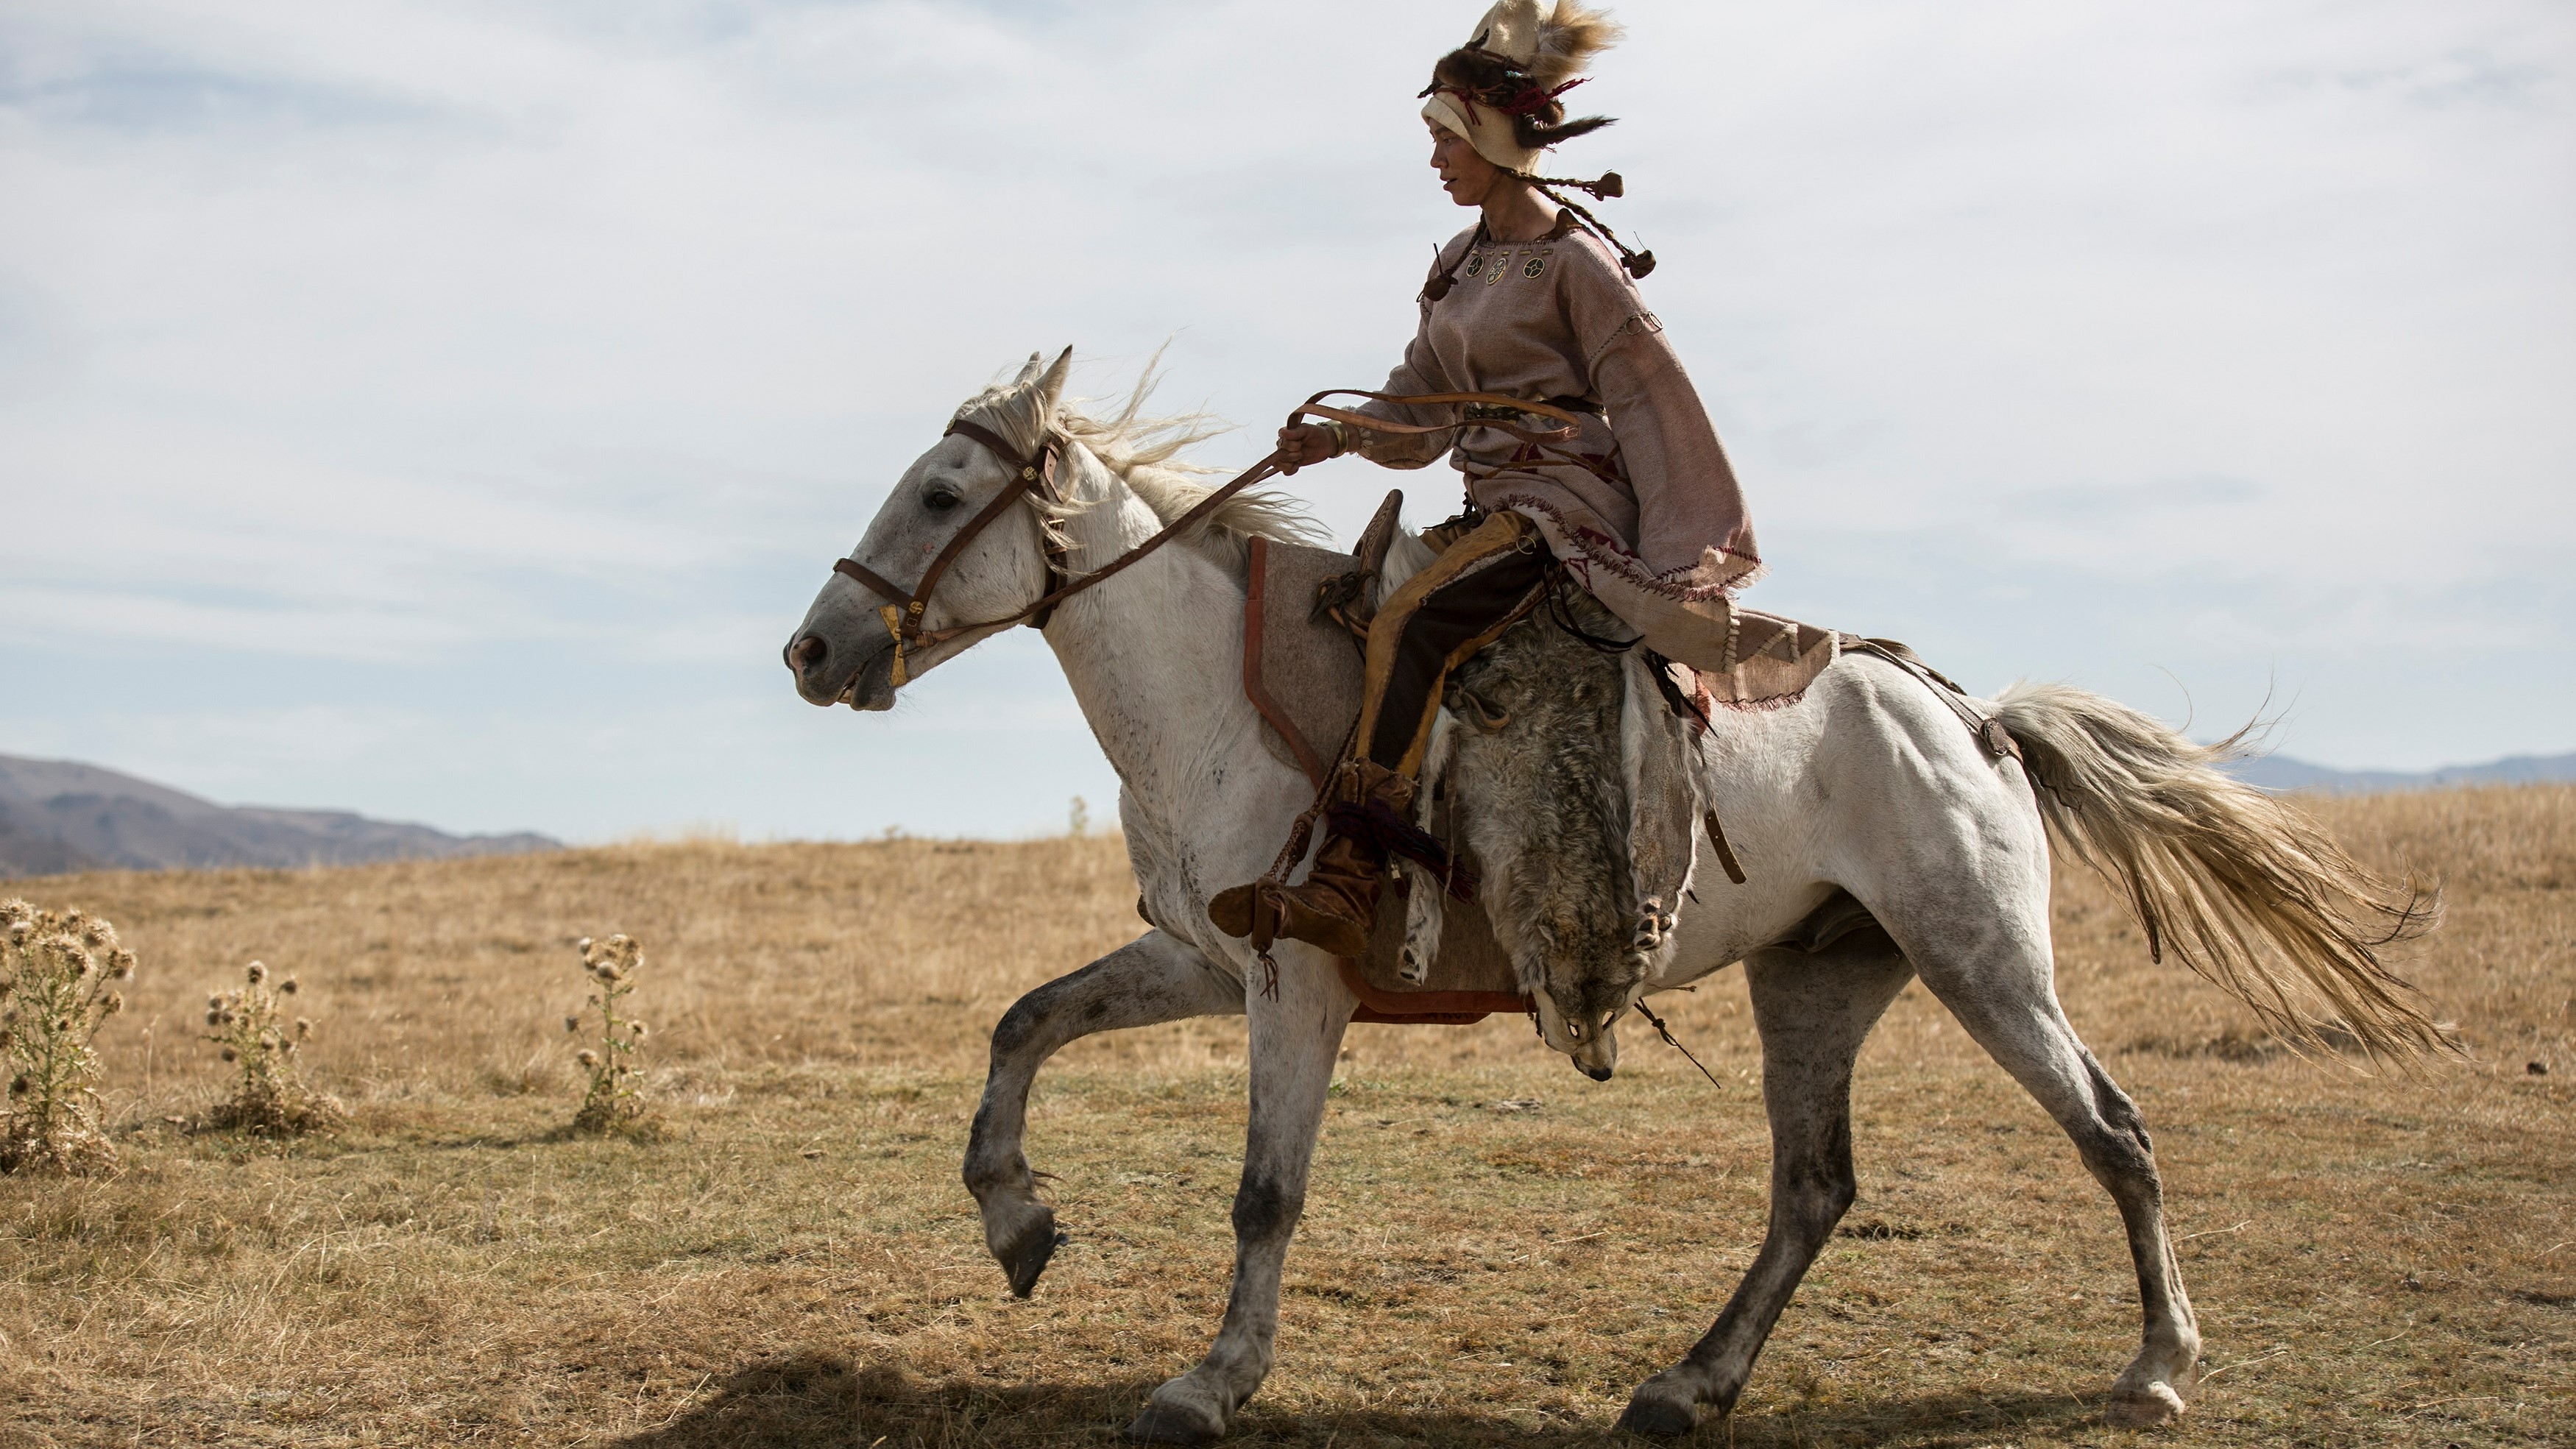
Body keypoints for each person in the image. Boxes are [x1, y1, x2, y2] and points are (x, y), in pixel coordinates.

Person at [1210, 0, 1761, 960]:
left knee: (1413, 620)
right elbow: (1419, 408)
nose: (1434, 160)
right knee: (1357, 611)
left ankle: (1348, 880)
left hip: (1563, 512)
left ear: (1499, 139)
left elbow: (1645, 399)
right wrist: (1338, 435)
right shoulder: (1457, 267)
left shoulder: (1577, 264)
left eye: (1446, 138)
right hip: (1486, 506)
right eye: (1432, 139)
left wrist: (1680, 550)